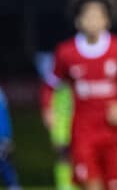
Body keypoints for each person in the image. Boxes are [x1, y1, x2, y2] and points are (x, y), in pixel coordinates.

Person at [41, 0, 117, 190]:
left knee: (114, 185)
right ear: (78, 20)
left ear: (107, 19)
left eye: (98, 15)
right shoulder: (66, 52)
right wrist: (48, 109)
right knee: (91, 185)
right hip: (82, 130)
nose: (93, 20)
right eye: (88, 16)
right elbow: (49, 85)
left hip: (112, 131)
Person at [36, 51, 76, 190]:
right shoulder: (53, 83)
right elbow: (46, 92)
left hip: (76, 120)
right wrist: (48, 113)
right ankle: (64, 185)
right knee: (63, 153)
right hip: (60, 122)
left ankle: (77, 182)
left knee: (78, 153)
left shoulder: (74, 80)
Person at [0, 87, 21, 190]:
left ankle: (13, 186)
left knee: (5, 163)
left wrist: (5, 137)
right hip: (4, 136)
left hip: (2, 136)